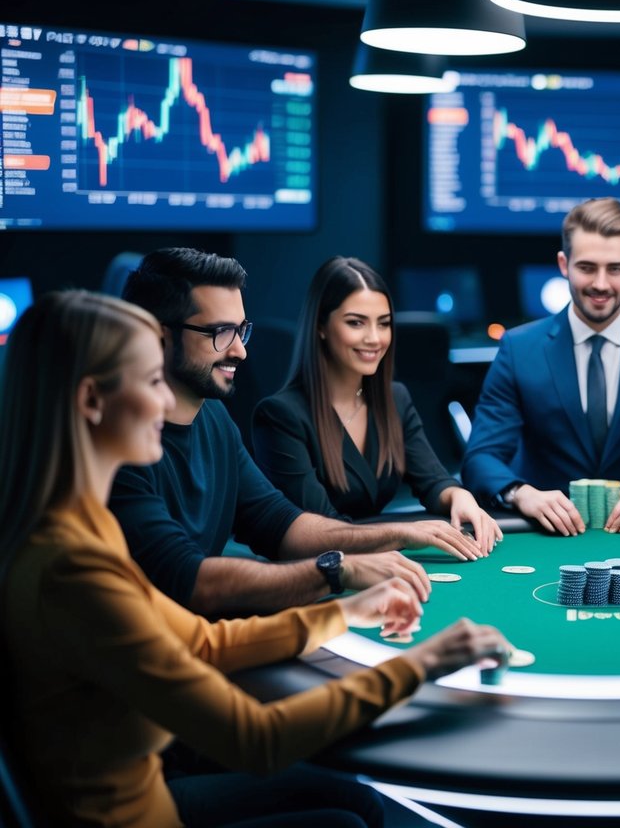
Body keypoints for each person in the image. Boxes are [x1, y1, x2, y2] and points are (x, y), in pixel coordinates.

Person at [0, 290, 511, 827]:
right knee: (346, 820)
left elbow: (202, 641)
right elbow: (256, 740)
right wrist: (424, 663)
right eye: (152, 382)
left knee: (355, 801)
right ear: (91, 401)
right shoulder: (74, 569)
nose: (164, 401)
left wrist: (346, 611)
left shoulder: (82, 523)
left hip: (149, 793)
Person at [110, 248, 483, 617]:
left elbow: (283, 525)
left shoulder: (215, 419)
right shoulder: (115, 447)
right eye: (221, 332)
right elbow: (189, 581)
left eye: (241, 331)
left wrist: (403, 533)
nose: (240, 351)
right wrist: (338, 569)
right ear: (158, 338)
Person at [461, 197, 620, 535]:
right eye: (587, 267)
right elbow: (480, 458)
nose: (601, 284)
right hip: (544, 535)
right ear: (563, 264)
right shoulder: (519, 348)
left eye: (614, 269)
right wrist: (522, 494)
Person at [252, 256, 500, 555]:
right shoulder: (279, 416)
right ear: (320, 326)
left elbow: (433, 481)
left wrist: (458, 496)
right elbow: (320, 528)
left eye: (383, 324)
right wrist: (405, 533)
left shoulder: (395, 398)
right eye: (356, 323)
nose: (374, 338)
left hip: (379, 559)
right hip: (317, 576)